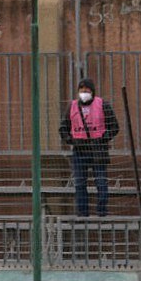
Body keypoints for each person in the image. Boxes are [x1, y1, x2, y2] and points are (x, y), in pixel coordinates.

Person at [58, 78, 120, 217]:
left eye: (87, 90)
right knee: (80, 184)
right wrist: (72, 140)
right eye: (81, 90)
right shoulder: (72, 106)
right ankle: (82, 213)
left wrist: (103, 138)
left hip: (98, 149)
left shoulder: (103, 104)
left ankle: (102, 211)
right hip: (79, 150)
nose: (84, 92)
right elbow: (63, 128)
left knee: (101, 183)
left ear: (92, 91)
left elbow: (114, 127)